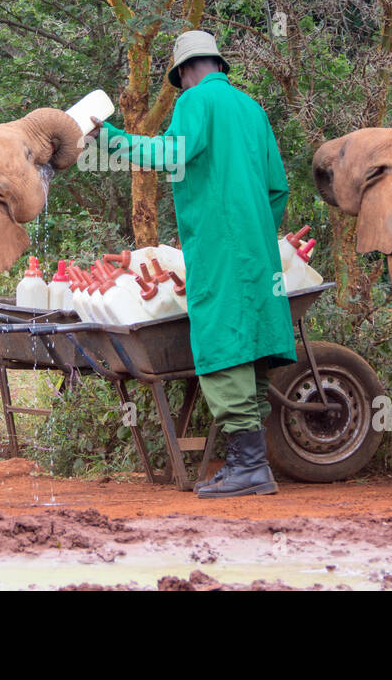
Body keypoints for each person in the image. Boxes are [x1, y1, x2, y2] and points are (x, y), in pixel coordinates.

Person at [89, 29, 294, 498]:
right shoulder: (253, 110)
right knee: (252, 348)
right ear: (218, 64)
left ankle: (249, 468)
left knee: (223, 344)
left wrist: (110, 138)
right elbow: (277, 188)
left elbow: (169, 154)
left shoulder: (194, 102)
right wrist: (257, 232)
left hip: (219, 249)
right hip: (257, 249)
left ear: (183, 73)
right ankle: (253, 463)